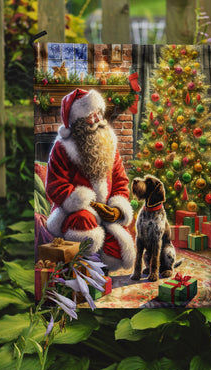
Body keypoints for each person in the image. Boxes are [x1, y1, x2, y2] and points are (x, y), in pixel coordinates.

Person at [45, 88, 135, 272]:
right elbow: (55, 185)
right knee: (83, 221)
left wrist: (116, 211)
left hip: (106, 211)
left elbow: (120, 181)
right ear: (77, 121)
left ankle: (103, 267)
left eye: (98, 113)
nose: (97, 120)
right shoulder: (62, 147)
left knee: (118, 245)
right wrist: (89, 204)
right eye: (90, 116)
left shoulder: (109, 143)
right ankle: (84, 267)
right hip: (74, 212)